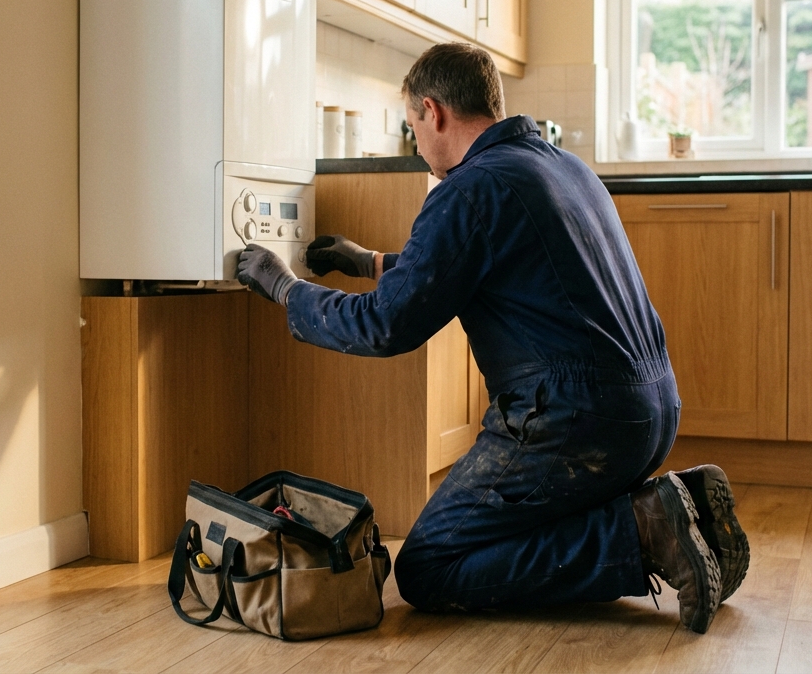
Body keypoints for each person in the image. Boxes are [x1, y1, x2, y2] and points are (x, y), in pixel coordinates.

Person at [236, 43, 749, 634]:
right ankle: (686, 517)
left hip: (577, 422)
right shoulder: (561, 166)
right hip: (651, 412)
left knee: (430, 566)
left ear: (434, 111)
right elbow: (475, 263)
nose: (417, 144)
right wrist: (369, 261)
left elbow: (385, 326)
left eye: (412, 127)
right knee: (504, 530)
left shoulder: (467, 190)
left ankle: (642, 534)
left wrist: (285, 290)